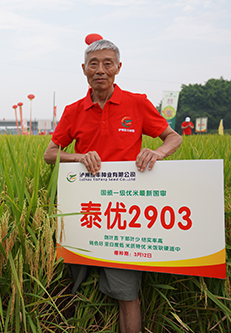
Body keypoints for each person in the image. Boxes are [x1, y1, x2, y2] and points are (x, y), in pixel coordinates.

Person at [43, 39, 182, 333]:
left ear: (118, 68)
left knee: (127, 293)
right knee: (72, 286)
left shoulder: (137, 103)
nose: (100, 70)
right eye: (94, 64)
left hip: (124, 215)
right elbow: (50, 154)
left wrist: (156, 153)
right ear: (84, 69)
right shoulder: (74, 110)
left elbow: (174, 138)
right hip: (85, 211)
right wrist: (79, 157)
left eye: (108, 63)